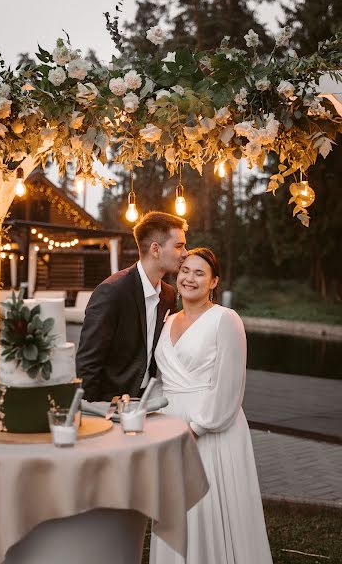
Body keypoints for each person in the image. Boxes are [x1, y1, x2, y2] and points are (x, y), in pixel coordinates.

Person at [150, 248, 273, 564]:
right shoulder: (166, 320)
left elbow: (230, 384)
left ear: (214, 281)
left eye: (199, 273)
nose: (189, 278)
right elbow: (161, 380)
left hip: (210, 429)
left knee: (206, 507)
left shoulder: (225, 319)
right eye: (185, 270)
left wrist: (197, 427)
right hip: (170, 428)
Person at [76, 211, 188, 402]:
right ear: (155, 249)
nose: (185, 253)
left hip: (149, 400)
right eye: (179, 246)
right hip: (109, 403)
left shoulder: (168, 295)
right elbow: (88, 363)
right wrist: (95, 411)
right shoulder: (111, 292)